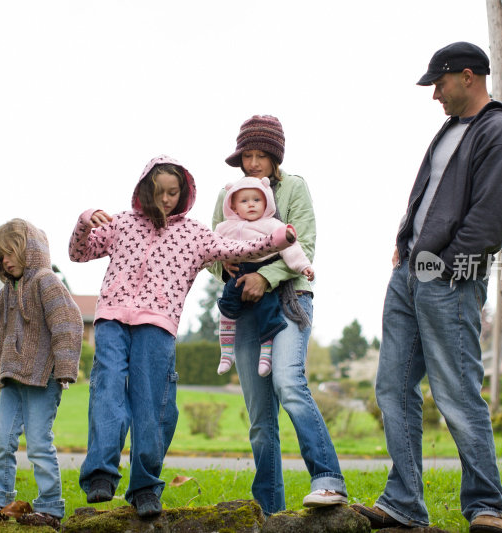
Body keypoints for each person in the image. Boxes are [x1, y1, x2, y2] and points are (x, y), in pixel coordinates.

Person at [352, 42, 502, 533]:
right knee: (392, 387)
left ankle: (487, 507)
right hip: (409, 275)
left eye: (440, 82)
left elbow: (489, 217)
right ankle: (404, 505)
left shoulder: (499, 132)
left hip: (447, 279)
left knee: (456, 391)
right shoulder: (451, 130)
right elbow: (429, 198)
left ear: (469, 77)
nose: (435, 92)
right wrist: (405, 244)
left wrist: (446, 267)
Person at [70, 155, 299, 519]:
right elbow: (78, 253)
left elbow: (236, 250)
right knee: (107, 387)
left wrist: (277, 237)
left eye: (173, 193)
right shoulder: (124, 223)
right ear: (146, 190)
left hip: (159, 324)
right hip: (111, 318)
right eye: (159, 192)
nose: (166, 200)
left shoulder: (193, 234)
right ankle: (100, 474)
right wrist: (85, 220)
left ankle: (145, 487)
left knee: (152, 405)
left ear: (184, 193)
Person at [210, 115, 348, 515]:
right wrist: (227, 269)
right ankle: (270, 510)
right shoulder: (227, 192)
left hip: (289, 299)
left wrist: (266, 278)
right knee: (259, 417)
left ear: (275, 157)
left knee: (289, 381)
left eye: (260, 156)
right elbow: (211, 246)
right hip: (243, 307)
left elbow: (303, 243)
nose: (252, 164)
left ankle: (328, 481)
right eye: (246, 156)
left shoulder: (295, 188)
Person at [0, 218, 83, 531]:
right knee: (1, 440)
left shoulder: (45, 281)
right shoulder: (8, 291)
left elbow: (68, 323)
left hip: (43, 378)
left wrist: (65, 368)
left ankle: (50, 507)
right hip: (13, 377)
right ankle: (0, 499)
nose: (4, 261)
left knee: (39, 443)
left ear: (28, 250)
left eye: (9, 253)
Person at [214, 175, 315, 377]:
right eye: (244, 201)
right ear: (234, 207)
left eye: (257, 200)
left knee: (267, 312)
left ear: (266, 202)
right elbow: (210, 249)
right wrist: (222, 260)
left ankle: (266, 356)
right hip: (238, 274)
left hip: (265, 274)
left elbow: (291, 248)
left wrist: (303, 266)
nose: (251, 205)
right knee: (227, 308)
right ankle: (226, 353)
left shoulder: (272, 224)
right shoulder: (224, 228)